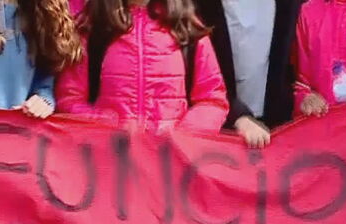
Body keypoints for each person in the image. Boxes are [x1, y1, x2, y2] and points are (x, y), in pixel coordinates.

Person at [55, 0, 229, 134]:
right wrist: (107, 126)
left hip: (171, 165)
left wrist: (182, 136)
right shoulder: (92, 29)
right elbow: (69, 99)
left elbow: (212, 100)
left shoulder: (187, 29)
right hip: (108, 162)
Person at [192, 0, 305, 147]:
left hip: (279, 133)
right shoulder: (195, 7)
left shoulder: (293, 6)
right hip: (218, 136)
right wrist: (237, 116)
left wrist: (305, 94)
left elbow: (302, 64)